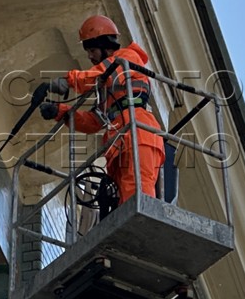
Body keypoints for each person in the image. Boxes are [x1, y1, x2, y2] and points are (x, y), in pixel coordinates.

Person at [33, 15, 164, 212]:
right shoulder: (107, 90)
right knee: (122, 203)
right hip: (119, 141)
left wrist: (68, 81)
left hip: (140, 135)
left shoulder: (128, 58)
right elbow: (94, 121)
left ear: (106, 46)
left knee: (138, 196)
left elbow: (99, 73)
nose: (90, 57)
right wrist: (60, 111)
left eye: (92, 50)